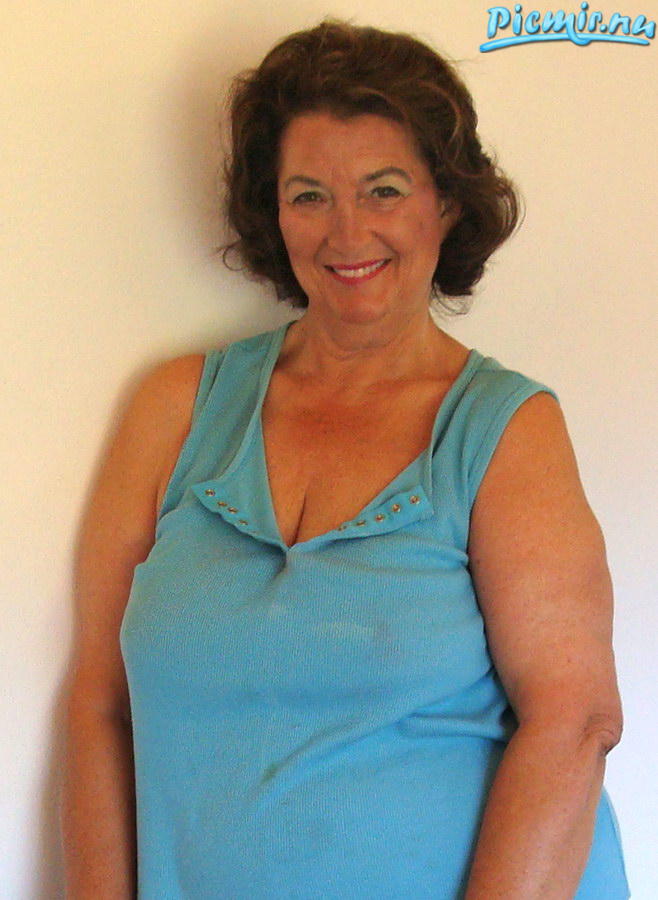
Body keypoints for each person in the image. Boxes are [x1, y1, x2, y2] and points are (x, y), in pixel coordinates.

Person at [60, 20, 630, 899]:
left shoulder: (502, 429)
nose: (346, 230)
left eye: (383, 189)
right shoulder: (177, 409)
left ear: (447, 203)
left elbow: (575, 719)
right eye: (309, 195)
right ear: (273, 211)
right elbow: (99, 704)